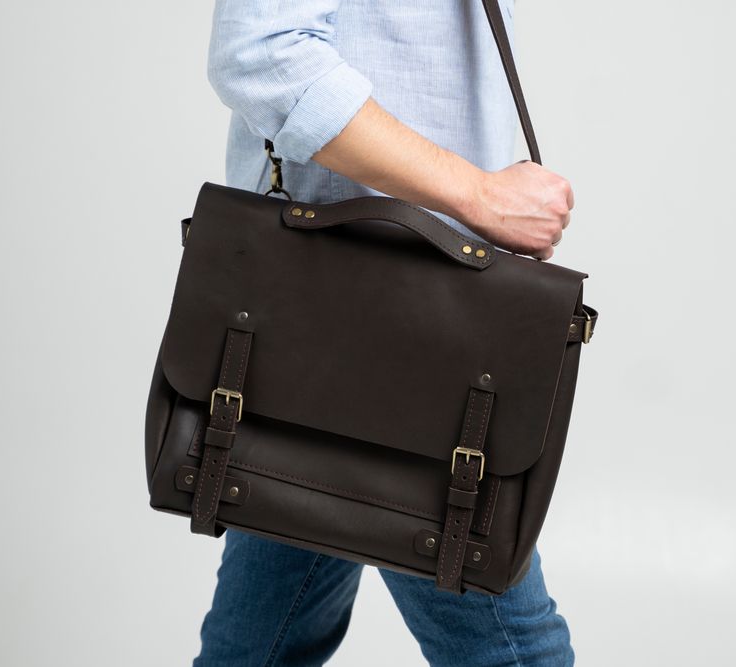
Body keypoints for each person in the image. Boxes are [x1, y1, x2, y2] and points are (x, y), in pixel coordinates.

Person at [194, 2, 575, 665]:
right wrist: (480, 197)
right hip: (381, 326)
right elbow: (259, 48)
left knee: (259, 648)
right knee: (519, 653)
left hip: (356, 327)